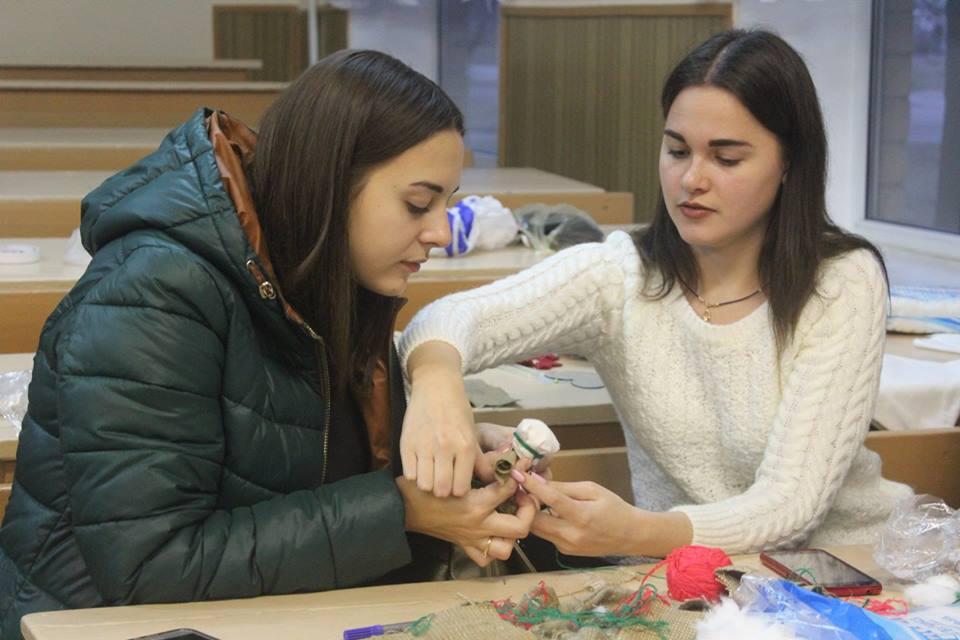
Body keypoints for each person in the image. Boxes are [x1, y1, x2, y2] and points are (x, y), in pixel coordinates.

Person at [0, 50, 535, 637]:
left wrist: (448, 460)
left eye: (448, 202)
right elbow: (151, 566)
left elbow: (323, 464)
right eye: (417, 204)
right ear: (329, 183)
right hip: (95, 622)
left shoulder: (335, 274)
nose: (440, 231)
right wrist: (403, 509)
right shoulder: (155, 292)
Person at [397, 29, 913, 560]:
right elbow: (447, 319)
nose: (691, 179)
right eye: (677, 151)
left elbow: (790, 507)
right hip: (681, 581)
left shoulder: (840, 281)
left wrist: (637, 533)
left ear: (789, 163)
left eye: (727, 159)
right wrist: (439, 382)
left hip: (849, 569)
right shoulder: (623, 275)